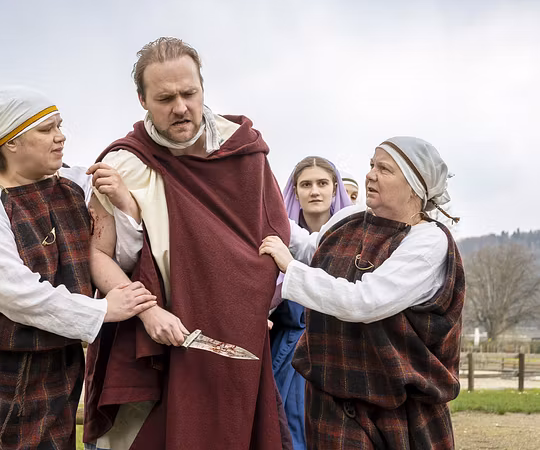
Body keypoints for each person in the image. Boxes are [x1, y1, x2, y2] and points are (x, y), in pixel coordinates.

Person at [0, 87, 157, 450]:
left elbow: (117, 256)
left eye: (59, 126)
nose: (60, 137)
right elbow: (13, 292)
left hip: (51, 369)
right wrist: (102, 310)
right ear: (11, 142)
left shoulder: (75, 187)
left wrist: (124, 204)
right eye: (46, 129)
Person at [83, 37, 293, 450]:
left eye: (189, 93)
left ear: (202, 88)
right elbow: (96, 254)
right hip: (150, 340)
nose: (180, 107)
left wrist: (255, 306)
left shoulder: (244, 152)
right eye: (165, 98)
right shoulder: (123, 164)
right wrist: (147, 312)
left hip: (231, 340)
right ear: (142, 100)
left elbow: (268, 243)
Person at [260, 137, 465, 449]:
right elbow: (313, 248)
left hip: (398, 407)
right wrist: (264, 214)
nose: (370, 175)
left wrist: (291, 268)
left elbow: (365, 301)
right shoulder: (348, 219)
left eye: (384, 169)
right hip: (333, 397)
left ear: (415, 186)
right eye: (371, 165)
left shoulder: (428, 243)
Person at [269, 156, 351, 450]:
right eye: (306, 184)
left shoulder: (351, 236)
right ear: (295, 191)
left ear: (334, 189)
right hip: (289, 354)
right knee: (291, 430)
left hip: (341, 349)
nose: (314, 191)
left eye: (322, 183)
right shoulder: (278, 237)